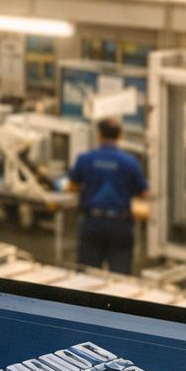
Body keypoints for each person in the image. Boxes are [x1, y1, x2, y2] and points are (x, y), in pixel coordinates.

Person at [67, 117, 147, 274]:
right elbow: (143, 192)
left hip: (93, 222)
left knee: (87, 276)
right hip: (120, 224)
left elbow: (72, 186)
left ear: (99, 135)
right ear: (120, 136)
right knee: (120, 277)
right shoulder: (130, 162)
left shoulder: (85, 159)